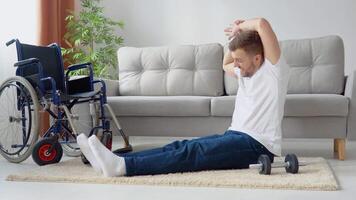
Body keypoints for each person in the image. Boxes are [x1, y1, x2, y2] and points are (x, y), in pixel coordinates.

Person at [77, 18, 291, 177]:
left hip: (258, 146)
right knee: (180, 146)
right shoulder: (244, 71)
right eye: (235, 59)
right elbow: (225, 64)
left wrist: (241, 27)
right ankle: (116, 161)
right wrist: (235, 39)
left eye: (239, 60)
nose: (235, 65)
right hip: (236, 135)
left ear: (257, 57)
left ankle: (123, 168)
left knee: (193, 152)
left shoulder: (273, 72)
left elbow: (262, 24)